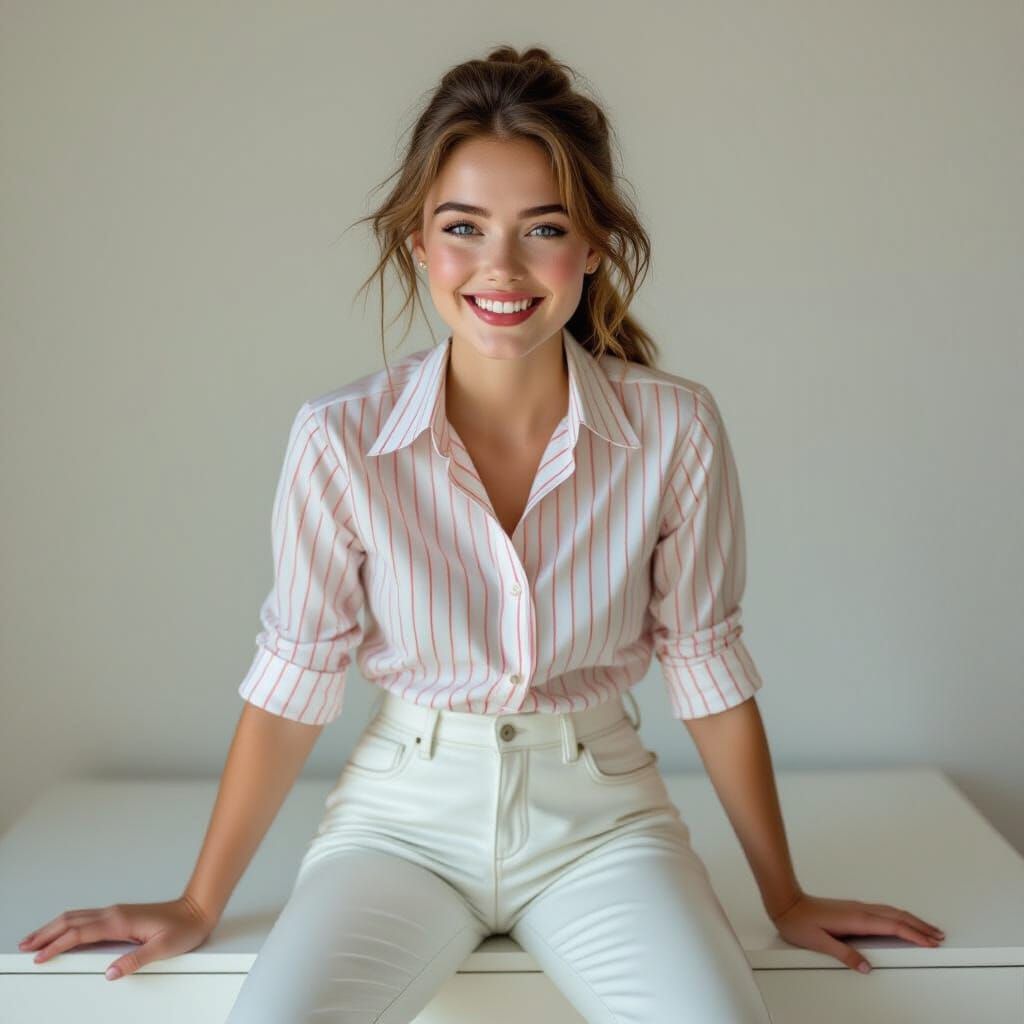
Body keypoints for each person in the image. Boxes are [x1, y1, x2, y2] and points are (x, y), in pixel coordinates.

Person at [19, 43, 945, 1023]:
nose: (500, 267)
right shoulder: (341, 439)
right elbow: (293, 683)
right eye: (464, 228)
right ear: (419, 242)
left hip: (602, 824)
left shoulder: (674, 427)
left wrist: (784, 894)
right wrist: (200, 900)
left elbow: (706, 668)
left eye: (541, 228)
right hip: (398, 825)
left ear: (590, 246)